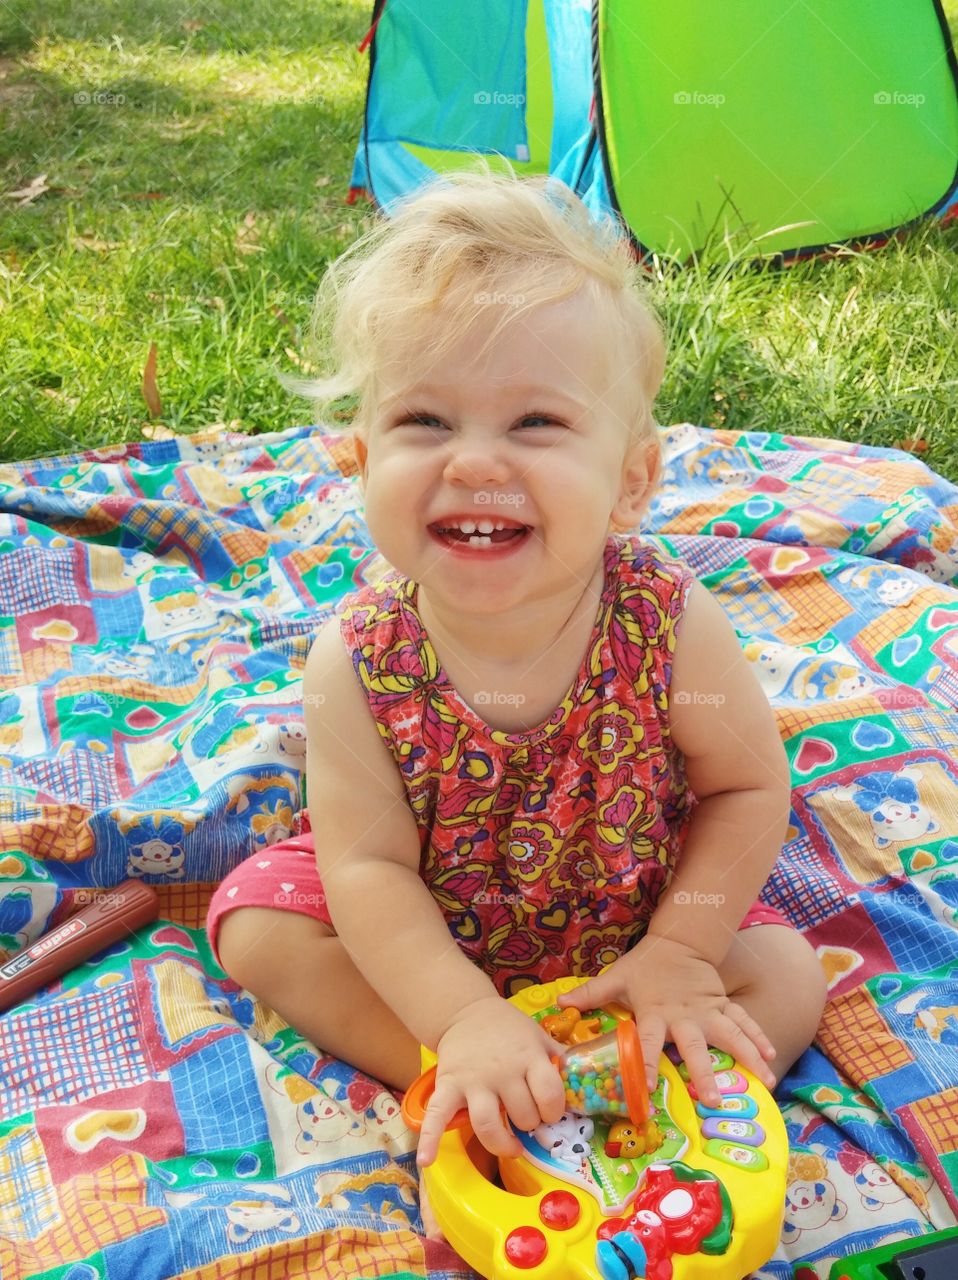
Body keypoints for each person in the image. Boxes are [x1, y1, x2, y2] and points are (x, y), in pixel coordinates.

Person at [207, 165, 827, 1201]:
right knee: (256, 927)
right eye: (425, 422)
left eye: (535, 423)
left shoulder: (665, 623)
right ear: (360, 462)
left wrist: (680, 946)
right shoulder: (357, 659)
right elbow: (366, 871)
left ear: (630, 480)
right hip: (422, 928)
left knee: (787, 976)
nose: (475, 463)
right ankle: (474, 1075)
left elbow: (747, 788)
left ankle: (607, 1067)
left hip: (629, 913)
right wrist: (455, 1014)